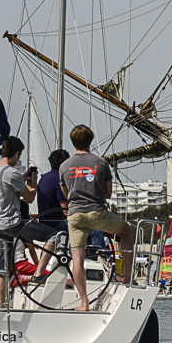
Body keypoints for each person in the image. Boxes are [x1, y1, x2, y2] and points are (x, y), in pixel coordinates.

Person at [59, 124, 134, 311]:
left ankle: (84, 303)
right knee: (126, 232)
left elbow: (66, 194)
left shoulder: (64, 166)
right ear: (90, 140)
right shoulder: (101, 163)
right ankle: (128, 277)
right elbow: (107, 193)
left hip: (75, 215)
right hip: (97, 213)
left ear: (73, 142)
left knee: (77, 257)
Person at [0, 137, 56, 304]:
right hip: (13, 224)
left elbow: (5, 187)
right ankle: (39, 275)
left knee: (2, 267)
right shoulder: (12, 173)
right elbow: (30, 198)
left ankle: (2, 304)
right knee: (54, 236)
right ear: (16, 153)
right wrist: (33, 183)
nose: (19, 158)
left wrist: (23, 179)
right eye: (19, 155)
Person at [36, 149, 71, 233]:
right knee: (94, 231)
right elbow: (66, 211)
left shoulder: (43, 177)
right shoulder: (58, 180)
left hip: (44, 223)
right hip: (57, 224)